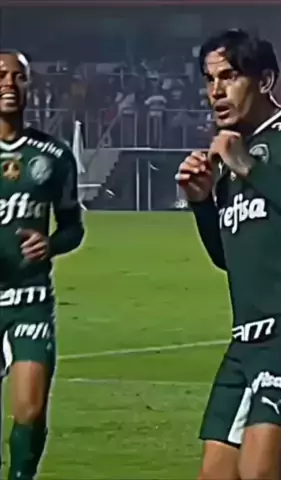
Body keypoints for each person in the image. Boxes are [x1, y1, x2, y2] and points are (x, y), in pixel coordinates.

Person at [175, 29, 281, 480]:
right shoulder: (232, 151)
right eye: (210, 79)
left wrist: (248, 167)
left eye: (229, 76)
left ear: (265, 80)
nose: (216, 91)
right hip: (245, 340)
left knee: (259, 471)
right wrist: (202, 203)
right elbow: (227, 257)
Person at [0, 50, 84, 479]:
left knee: (30, 411)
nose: (9, 84)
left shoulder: (53, 155)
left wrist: (50, 244)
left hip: (30, 301)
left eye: (19, 77)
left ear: (30, 86)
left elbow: (74, 227)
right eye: (1, 75)